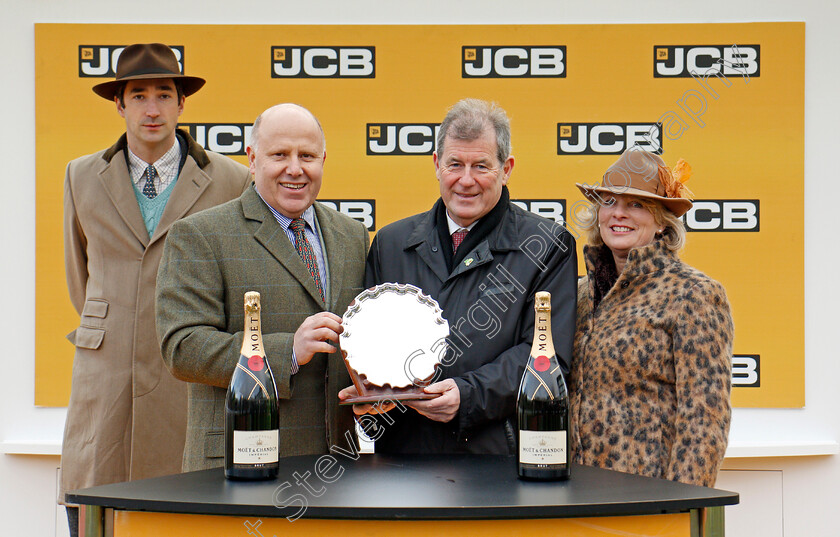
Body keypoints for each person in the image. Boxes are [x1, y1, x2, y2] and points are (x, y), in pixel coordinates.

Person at [60, 43, 251, 535]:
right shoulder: (81, 175)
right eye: (138, 95)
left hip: (185, 378)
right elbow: (79, 275)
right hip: (106, 380)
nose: (151, 108)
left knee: (179, 510)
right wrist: (116, 323)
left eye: (164, 94)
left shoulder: (231, 179)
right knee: (94, 510)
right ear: (118, 103)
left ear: (181, 103)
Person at [340, 98, 577, 455]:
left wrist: (468, 395)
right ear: (437, 164)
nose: (466, 180)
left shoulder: (546, 247)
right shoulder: (391, 243)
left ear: (506, 168)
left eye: (481, 166)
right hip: (403, 459)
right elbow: (369, 345)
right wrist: (370, 396)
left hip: (494, 461)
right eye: (455, 164)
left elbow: (546, 357)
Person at [156, 103, 369, 472]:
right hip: (240, 461)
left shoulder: (352, 236)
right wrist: (287, 350)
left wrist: (377, 387)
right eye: (279, 155)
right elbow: (182, 346)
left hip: (335, 467)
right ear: (253, 160)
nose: (295, 169)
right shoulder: (199, 235)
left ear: (323, 159)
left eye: (307, 155)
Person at [571, 147, 734, 487]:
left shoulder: (695, 294)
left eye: (637, 204)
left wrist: (679, 507)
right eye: (610, 201)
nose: (619, 213)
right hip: (572, 496)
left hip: (646, 499)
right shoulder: (577, 294)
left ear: (662, 221)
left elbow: (704, 422)